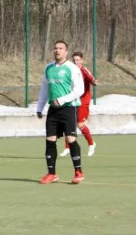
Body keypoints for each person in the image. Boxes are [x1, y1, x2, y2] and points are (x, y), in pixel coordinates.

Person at [37, 40, 85, 185]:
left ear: (66, 52)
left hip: (68, 108)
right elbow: (44, 89)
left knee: (70, 139)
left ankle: (78, 172)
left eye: (61, 48)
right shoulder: (48, 68)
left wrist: (63, 100)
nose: (57, 50)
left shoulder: (72, 68)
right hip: (53, 109)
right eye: (55, 48)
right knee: (50, 140)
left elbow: (79, 90)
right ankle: (51, 173)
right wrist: (40, 107)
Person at [60, 51, 97, 158]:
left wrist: (94, 82)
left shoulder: (84, 71)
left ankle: (91, 144)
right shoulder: (70, 70)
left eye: (78, 60)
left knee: (80, 125)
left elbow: (91, 79)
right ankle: (67, 148)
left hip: (83, 102)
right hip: (72, 101)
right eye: (74, 60)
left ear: (82, 60)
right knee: (68, 124)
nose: (76, 62)